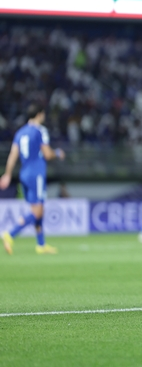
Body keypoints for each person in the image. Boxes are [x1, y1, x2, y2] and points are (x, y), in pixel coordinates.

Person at [1, 104, 65, 255]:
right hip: (36, 174)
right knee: (37, 211)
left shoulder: (20, 132)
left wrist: (7, 174)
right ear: (40, 114)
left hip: (24, 174)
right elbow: (47, 154)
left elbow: (12, 155)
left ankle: (41, 244)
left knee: (38, 208)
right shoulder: (40, 131)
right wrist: (58, 153)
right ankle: (10, 234)